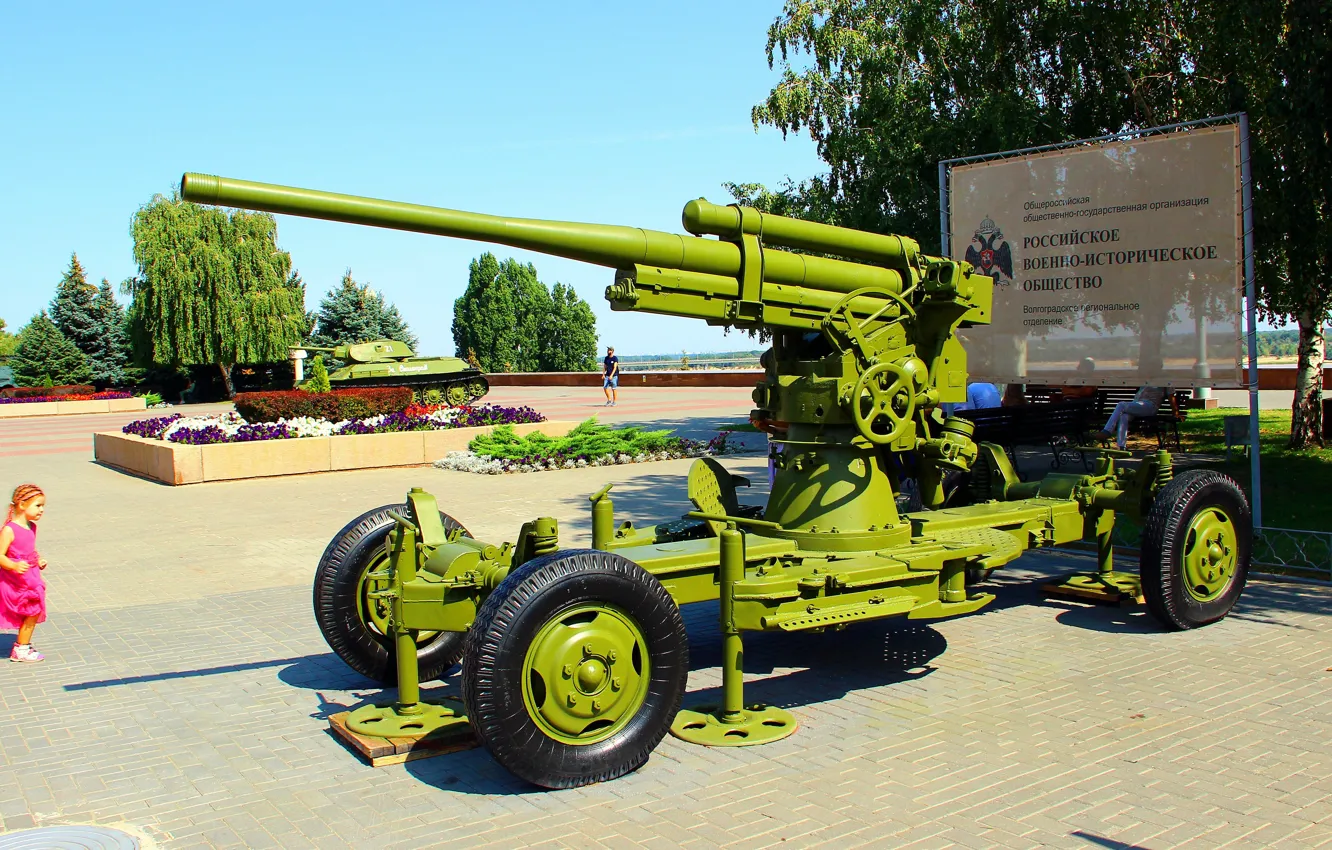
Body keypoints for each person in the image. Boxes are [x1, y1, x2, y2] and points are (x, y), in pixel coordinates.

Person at [1, 484, 48, 663]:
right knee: (32, 611)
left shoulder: (31, 527)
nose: (41, 510)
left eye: (43, 506)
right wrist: (13, 565)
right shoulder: (9, 530)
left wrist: (39, 560)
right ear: (21, 505)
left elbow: (30, 550)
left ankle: (22, 646)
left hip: (31, 576)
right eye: (37, 505)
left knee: (32, 612)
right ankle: (21, 648)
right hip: (16, 580)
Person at [1097, 385, 1166, 449]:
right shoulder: (1146, 376)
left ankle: (1107, 431)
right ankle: (1121, 447)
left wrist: (1175, 411)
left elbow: (1171, 395)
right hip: (1137, 404)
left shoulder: (1167, 378)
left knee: (1121, 405)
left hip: (1151, 406)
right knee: (1124, 416)